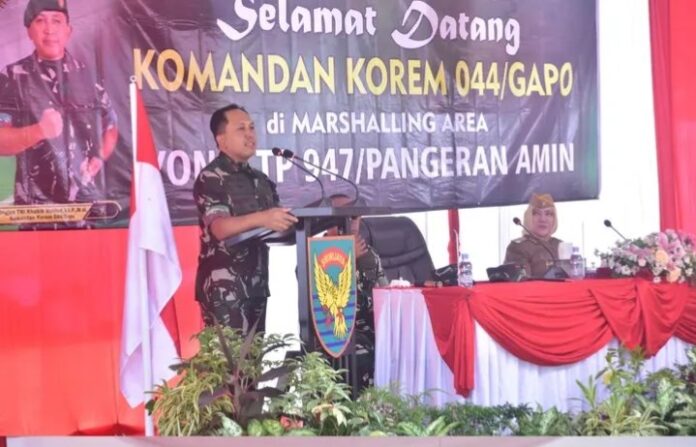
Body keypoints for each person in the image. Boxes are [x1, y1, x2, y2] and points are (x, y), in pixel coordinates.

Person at [0, 0, 118, 211]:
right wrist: (39, 131)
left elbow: (110, 125)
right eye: (40, 21)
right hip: (34, 211)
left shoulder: (89, 77)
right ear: (29, 31)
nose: (49, 29)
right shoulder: (11, 77)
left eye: (56, 21)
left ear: (68, 30)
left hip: (84, 208)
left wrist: (98, 158)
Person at [194, 103, 298, 334]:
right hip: (224, 290)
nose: (250, 134)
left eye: (252, 127)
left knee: (255, 357)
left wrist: (299, 224)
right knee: (229, 358)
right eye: (241, 129)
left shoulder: (261, 180)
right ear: (221, 140)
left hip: (257, 286)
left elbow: (275, 227)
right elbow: (219, 228)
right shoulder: (211, 176)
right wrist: (263, 218)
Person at [325, 193, 388, 390]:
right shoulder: (315, 252)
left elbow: (385, 292)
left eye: (355, 216)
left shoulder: (369, 255)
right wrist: (347, 257)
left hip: (373, 328)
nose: (351, 222)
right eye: (343, 217)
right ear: (326, 222)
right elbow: (329, 308)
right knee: (361, 355)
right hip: (336, 334)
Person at [504, 193, 563, 278]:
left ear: (554, 219)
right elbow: (523, 282)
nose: (543, 219)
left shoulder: (559, 245)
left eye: (548, 214)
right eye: (536, 213)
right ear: (528, 217)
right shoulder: (518, 248)